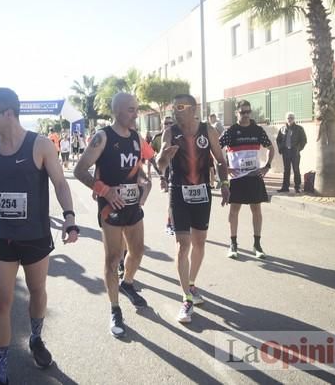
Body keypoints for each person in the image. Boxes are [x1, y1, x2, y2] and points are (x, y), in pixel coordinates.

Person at [0, 88, 79, 385]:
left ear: (8, 113)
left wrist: (69, 218)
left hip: (35, 237)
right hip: (1, 237)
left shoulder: (40, 144)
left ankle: (35, 337)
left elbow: (60, 183)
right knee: (0, 303)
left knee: (37, 291)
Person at [74, 92, 153, 338]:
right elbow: (79, 170)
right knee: (112, 258)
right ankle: (115, 308)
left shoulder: (136, 139)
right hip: (111, 207)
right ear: (117, 110)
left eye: (136, 109)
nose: (136, 113)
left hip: (132, 206)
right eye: (131, 109)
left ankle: (127, 284)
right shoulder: (102, 137)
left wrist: (143, 180)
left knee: (137, 252)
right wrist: (104, 191)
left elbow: (136, 168)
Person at [156, 94, 229, 324]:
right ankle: (186, 298)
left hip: (202, 192)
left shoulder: (208, 131)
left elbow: (220, 160)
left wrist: (225, 185)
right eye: (173, 107)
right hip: (179, 192)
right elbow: (160, 164)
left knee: (199, 242)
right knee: (182, 245)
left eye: (180, 107)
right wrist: (163, 157)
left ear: (193, 108)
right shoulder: (170, 132)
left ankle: (191, 283)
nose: (176, 111)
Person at [220, 100, 275, 259]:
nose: (246, 115)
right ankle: (233, 244)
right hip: (237, 178)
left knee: (256, 209)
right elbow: (216, 149)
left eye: (248, 112)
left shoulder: (257, 130)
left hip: (254, 176)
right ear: (237, 113)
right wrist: (225, 167)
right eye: (242, 112)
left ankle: (257, 245)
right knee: (234, 209)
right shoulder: (231, 131)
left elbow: (271, 148)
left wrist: (267, 166)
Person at [275, 112, 307, 193]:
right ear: (286, 119)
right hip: (286, 152)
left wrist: (298, 149)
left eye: (291, 118)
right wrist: (281, 149)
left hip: (295, 152)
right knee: (286, 170)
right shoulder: (282, 129)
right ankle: (285, 187)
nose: (290, 119)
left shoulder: (299, 129)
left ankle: (297, 187)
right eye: (288, 118)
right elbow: (278, 140)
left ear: (294, 119)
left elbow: (303, 140)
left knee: (296, 169)